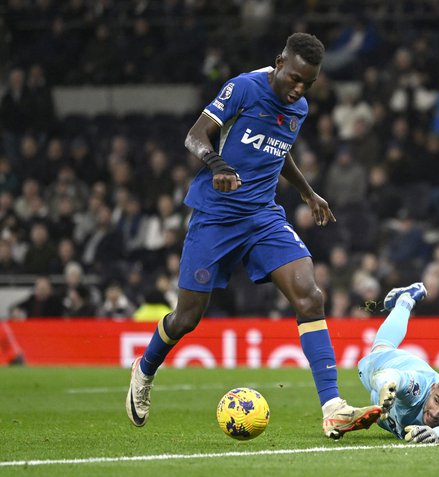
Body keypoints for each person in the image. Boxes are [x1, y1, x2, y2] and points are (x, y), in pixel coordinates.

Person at [126, 33, 381, 439]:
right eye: (295, 78)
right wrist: (218, 165)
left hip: (263, 216)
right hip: (216, 216)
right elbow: (195, 135)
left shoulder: (299, 107)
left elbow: (280, 150)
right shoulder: (244, 87)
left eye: (308, 84)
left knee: (310, 296)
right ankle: (145, 367)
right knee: (187, 317)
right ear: (279, 61)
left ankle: (333, 407)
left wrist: (306, 191)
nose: (299, 89)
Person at [358, 282, 439, 443]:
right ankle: (407, 298)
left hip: (390, 412)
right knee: (379, 351)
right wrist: (388, 386)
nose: (436, 413)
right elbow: (396, 377)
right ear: (433, 388)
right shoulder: (419, 388)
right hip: (398, 371)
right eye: (437, 400)